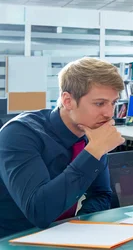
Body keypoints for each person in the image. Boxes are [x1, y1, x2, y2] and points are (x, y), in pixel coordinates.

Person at [0, 58, 125, 238]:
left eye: (113, 103)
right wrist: (94, 152)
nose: (109, 113)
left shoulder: (92, 134)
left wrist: (78, 227)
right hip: (13, 239)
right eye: (99, 103)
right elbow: (39, 212)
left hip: (62, 238)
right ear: (68, 101)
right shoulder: (19, 134)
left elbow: (101, 194)